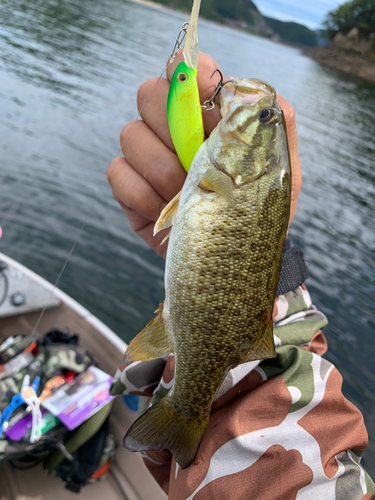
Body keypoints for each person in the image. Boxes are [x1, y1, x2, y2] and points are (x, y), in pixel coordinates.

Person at [107, 51, 375, 499]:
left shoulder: (232, 176)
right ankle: (185, 414)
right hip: (239, 316)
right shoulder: (235, 176)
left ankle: (185, 414)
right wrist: (277, 272)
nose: (263, 115)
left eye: (265, 118)